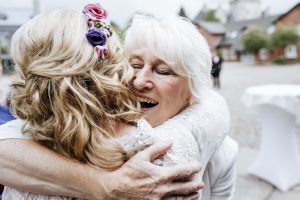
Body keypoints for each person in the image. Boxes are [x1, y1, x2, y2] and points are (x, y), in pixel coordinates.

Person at [0, 4, 237, 200]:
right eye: (133, 65)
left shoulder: (220, 148)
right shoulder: (43, 131)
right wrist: (103, 184)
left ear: (193, 93)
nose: (139, 80)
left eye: (163, 71)